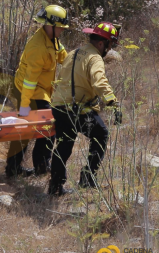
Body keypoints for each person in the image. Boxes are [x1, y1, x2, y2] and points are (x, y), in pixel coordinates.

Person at [48, 22, 122, 196]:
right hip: (78, 109)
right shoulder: (95, 58)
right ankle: (87, 178)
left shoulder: (73, 53)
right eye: (110, 45)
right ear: (102, 43)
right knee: (101, 134)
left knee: (64, 145)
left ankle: (55, 187)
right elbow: (99, 81)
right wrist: (113, 103)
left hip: (59, 106)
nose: (109, 50)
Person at [5, 5, 69, 177]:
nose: (62, 30)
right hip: (28, 91)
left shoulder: (52, 39)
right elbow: (29, 81)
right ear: (50, 25)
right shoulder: (37, 47)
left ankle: (39, 164)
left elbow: (63, 56)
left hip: (42, 89)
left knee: (43, 126)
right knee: (33, 126)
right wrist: (25, 106)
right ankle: (19, 167)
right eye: (60, 27)